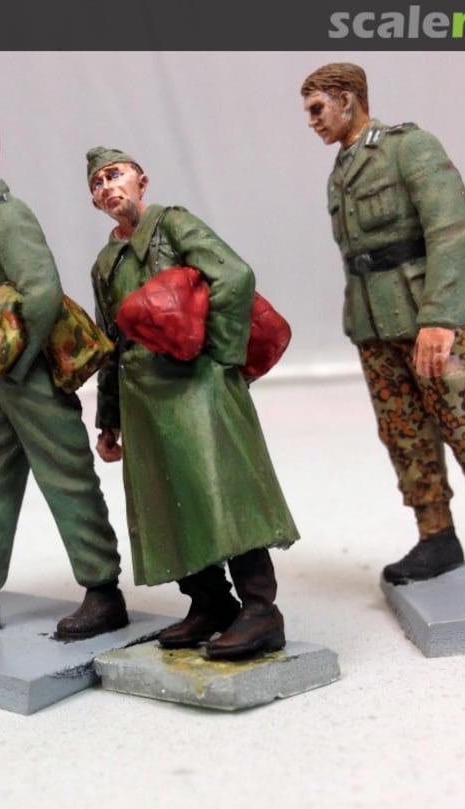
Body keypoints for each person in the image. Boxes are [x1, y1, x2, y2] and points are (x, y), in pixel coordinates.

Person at [300, 62, 465, 585]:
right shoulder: (342, 170)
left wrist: (440, 318)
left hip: (426, 315)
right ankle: (436, 535)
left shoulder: (408, 148)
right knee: (402, 431)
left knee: (461, 416)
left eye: (317, 109)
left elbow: (453, 228)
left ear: (347, 100)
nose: (312, 121)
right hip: (372, 321)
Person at [0, 109, 127, 640]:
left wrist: (21, 361)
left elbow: (42, 290)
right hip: (0, 383)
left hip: (27, 378)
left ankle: (103, 591)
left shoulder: (6, 215)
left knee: (66, 477)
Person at [85, 147, 300, 661]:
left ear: (141, 181)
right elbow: (109, 340)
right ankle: (209, 602)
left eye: (114, 175)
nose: (107, 187)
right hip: (142, 395)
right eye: (97, 183)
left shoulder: (173, 225)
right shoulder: (105, 263)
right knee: (167, 500)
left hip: (196, 384)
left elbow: (235, 276)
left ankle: (261, 610)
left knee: (223, 490)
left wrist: (220, 356)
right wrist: (109, 418)